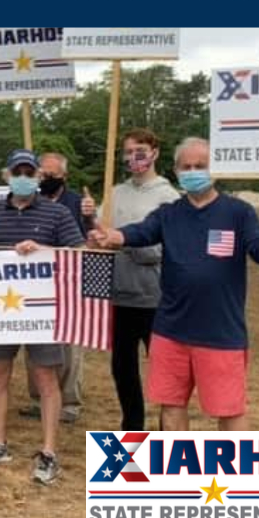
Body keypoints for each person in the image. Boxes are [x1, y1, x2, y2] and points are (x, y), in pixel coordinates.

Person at [90, 137, 259, 432]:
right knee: (172, 405)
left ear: (215, 169)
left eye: (200, 166)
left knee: (229, 409)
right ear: (176, 170)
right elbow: (140, 232)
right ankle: (179, 471)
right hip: (170, 331)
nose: (193, 171)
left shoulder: (237, 212)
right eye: (186, 166)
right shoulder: (169, 213)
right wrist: (113, 236)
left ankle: (234, 472)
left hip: (221, 333)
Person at [0, 148, 85, 485]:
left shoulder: (57, 213)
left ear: (38, 178)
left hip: (42, 309)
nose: (23, 178)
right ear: (7, 176)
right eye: (17, 172)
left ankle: (49, 451)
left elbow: (76, 254)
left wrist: (43, 250)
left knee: (47, 380)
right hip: (0, 308)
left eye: (29, 173)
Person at [104, 129, 181, 430]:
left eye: (140, 150)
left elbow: (165, 248)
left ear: (154, 152)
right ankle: (132, 427)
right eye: (128, 151)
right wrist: (93, 226)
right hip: (121, 295)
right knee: (122, 368)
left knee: (163, 371)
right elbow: (102, 231)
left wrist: (125, 242)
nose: (133, 156)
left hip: (156, 298)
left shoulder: (169, 197)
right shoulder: (116, 193)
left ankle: (167, 431)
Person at [20, 152, 98, 423]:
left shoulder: (77, 203)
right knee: (36, 343)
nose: (47, 179)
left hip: (70, 283)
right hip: (36, 284)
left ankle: (70, 401)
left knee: (70, 348)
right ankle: (38, 398)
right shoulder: (31, 201)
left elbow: (91, 240)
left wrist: (91, 217)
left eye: (52, 175)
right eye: (42, 174)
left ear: (64, 176)